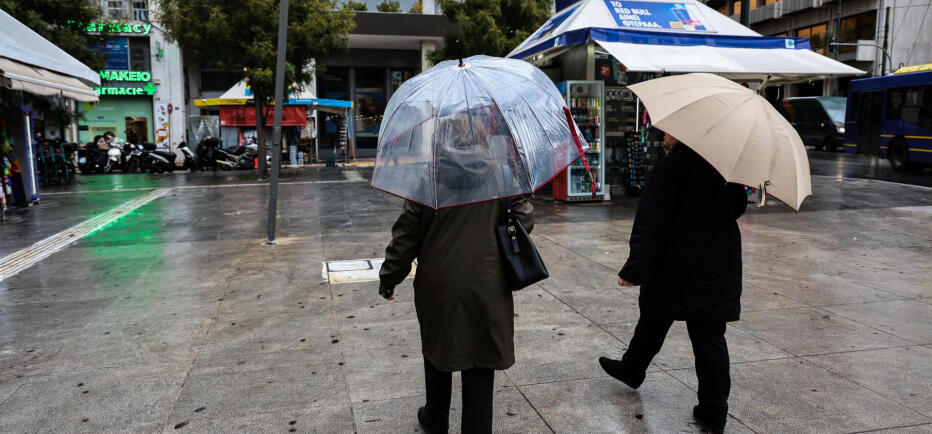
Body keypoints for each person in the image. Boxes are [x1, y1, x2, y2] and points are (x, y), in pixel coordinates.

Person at [378, 116, 533, 434]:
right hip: (488, 281)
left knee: (438, 350)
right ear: (482, 137)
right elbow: (524, 221)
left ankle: (435, 417)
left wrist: (390, 277)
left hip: (439, 283)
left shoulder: (429, 178)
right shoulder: (503, 174)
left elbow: (406, 236)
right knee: (481, 360)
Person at [599, 132, 748, 434]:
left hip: (675, 263)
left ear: (683, 134)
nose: (664, 134)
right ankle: (712, 409)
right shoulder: (724, 168)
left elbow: (650, 223)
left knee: (658, 313)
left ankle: (633, 368)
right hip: (717, 264)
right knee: (703, 334)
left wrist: (634, 269)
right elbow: (737, 207)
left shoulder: (669, 169)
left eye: (668, 131)